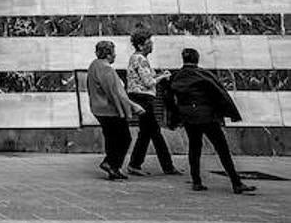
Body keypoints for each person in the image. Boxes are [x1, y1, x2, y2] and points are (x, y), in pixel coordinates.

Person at [163, 47, 257, 195]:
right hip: (207, 116)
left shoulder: (177, 76)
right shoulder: (204, 75)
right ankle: (236, 182)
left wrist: (176, 114)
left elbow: (168, 96)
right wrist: (226, 113)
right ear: (197, 59)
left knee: (194, 147)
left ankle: (196, 181)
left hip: (189, 117)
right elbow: (219, 93)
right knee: (222, 148)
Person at [86, 39, 144, 181]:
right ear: (109, 54)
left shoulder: (94, 65)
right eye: (114, 52)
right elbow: (116, 93)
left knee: (111, 138)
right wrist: (133, 106)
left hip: (98, 108)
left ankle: (113, 168)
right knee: (124, 138)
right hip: (109, 110)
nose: (115, 55)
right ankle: (111, 164)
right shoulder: (106, 69)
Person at [124, 30, 178, 175]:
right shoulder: (140, 59)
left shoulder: (137, 58)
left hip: (139, 97)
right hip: (143, 98)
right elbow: (149, 82)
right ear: (141, 45)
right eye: (149, 42)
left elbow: (147, 77)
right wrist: (162, 77)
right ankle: (167, 166)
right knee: (154, 132)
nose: (152, 45)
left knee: (146, 133)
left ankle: (135, 164)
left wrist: (160, 74)